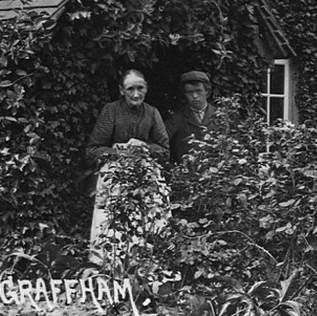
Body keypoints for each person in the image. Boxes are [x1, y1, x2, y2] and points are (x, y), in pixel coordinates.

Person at [86, 69, 169, 265]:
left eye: (140, 88)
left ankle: (149, 267)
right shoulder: (111, 111)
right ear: (121, 90)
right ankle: (110, 265)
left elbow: (165, 151)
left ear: (146, 88)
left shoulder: (152, 113)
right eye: (130, 89)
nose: (136, 94)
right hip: (115, 175)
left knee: (151, 219)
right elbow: (92, 150)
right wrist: (118, 151)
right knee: (112, 222)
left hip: (146, 174)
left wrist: (145, 147)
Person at [165, 70, 223, 163]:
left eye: (198, 91)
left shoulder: (220, 117)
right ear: (185, 94)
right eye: (190, 92)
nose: (195, 96)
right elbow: (161, 141)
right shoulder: (176, 118)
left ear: (207, 92)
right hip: (186, 169)